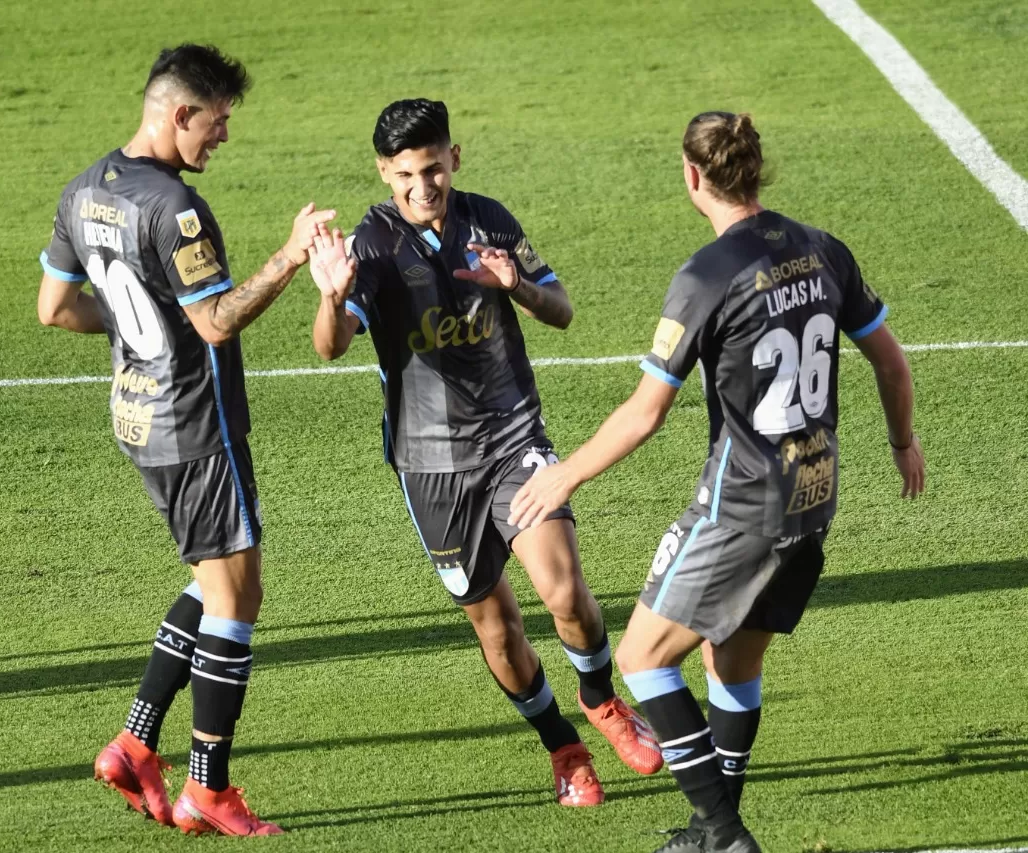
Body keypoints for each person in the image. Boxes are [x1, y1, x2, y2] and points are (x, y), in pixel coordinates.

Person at [508, 111, 924, 852]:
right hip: (813, 494)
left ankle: (726, 834)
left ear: (692, 176)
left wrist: (563, 474)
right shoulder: (822, 249)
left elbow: (646, 412)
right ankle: (710, 829)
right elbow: (892, 361)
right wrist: (902, 443)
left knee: (640, 659)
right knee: (730, 659)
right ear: (757, 169)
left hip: (741, 507)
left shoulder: (706, 275)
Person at [306, 98, 663, 809]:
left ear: (454, 159)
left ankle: (602, 699)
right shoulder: (372, 245)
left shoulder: (490, 220)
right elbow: (331, 343)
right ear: (384, 172)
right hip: (431, 465)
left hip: (513, 438)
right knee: (495, 627)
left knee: (563, 590)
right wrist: (332, 296)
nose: (421, 186)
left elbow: (561, 310)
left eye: (432, 168)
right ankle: (563, 746)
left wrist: (517, 286)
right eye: (404, 173)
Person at [36, 44, 336, 837]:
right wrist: (290, 256)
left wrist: (146, 328)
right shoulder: (176, 210)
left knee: (212, 581)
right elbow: (214, 321)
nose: (223, 138)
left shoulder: (82, 190)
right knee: (238, 595)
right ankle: (208, 785)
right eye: (218, 122)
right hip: (195, 423)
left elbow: (56, 308)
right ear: (180, 114)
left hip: (136, 414)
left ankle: (136, 743)